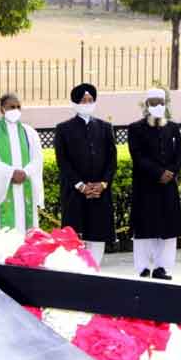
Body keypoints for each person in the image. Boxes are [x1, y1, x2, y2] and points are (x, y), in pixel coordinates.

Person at [54, 83, 117, 267]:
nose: (87, 103)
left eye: (90, 100)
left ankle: (94, 270)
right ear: (75, 103)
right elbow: (63, 162)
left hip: (100, 192)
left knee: (98, 235)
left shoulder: (105, 127)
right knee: (76, 236)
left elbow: (112, 160)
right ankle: (78, 273)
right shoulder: (63, 129)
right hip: (75, 193)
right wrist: (81, 185)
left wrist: (103, 184)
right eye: (83, 100)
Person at [127, 88, 181, 281]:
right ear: (147, 105)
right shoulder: (135, 128)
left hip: (168, 186)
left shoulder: (173, 127)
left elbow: (179, 155)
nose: (158, 106)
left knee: (168, 229)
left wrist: (171, 172)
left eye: (161, 102)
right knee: (145, 228)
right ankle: (143, 267)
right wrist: (158, 173)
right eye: (153, 102)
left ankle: (162, 267)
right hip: (145, 185)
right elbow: (138, 156)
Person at [0, 92, 44, 233]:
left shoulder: (29, 132)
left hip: (24, 186)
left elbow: (37, 158)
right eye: (11, 107)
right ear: (2, 109)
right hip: (1, 189)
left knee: (26, 230)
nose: (16, 110)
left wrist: (25, 172)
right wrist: (11, 173)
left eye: (18, 107)